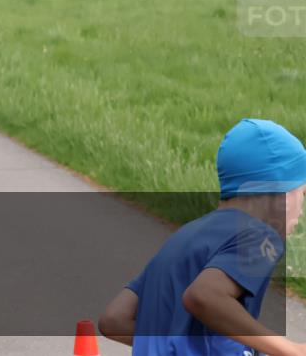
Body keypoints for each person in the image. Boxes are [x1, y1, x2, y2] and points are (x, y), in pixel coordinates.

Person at [99, 118, 306, 356]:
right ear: (281, 189)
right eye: (302, 193)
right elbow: (204, 296)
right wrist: (292, 350)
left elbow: (114, 320)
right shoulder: (258, 233)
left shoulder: (187, 235)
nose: (301, 211)